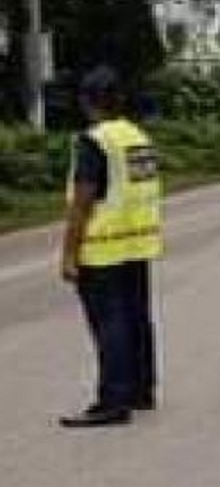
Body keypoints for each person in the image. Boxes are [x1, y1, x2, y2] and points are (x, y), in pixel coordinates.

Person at [59, 66, 164, 428]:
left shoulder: (95, 140)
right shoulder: (137, 136)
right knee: (136, 317)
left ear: (87, 102)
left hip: (103, 247)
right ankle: (140, 389)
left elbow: (83, 199)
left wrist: (69, 253)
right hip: (137, 242)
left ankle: (113, 401)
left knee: (109, 323)